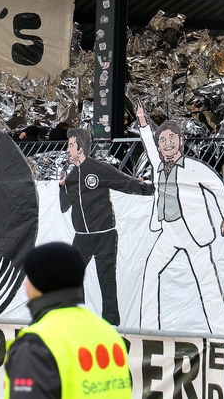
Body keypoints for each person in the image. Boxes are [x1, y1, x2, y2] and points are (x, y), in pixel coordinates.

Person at [136, 104, 224, 334]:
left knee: (207, 280)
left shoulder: (193, 167)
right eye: (162, 139)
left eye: (171, 138)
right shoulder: (159, 165)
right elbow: (148, 144)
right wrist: (142, 120)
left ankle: (223, 332)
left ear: (180, 141)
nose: (167, 142)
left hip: (193, 233)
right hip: (168, 231)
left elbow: (218, 187)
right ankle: (148, 329)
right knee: (151, 272)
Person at [3, 242, 132, 399]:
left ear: (41, 282)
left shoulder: (36, 344)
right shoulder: (108, 334)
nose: (25, 283)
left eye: (29, 276)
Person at [60, 127, 153, 325]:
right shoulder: (72, 174)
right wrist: (62, 186)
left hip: (104, 234)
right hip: (82, 236)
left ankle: (111, 322)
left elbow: (123, 182)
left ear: (81, 148)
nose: (67, 150)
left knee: (107, 279)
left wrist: (149, 189)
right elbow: (64, 206)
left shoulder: (97, 169)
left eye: (70, 145)